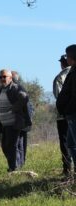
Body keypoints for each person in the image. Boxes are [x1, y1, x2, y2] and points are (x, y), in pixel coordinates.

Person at [0, 69, 30, 172]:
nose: (2, 79)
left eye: (4, 77)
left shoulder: (15, 88)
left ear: (10, 78)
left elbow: (25, 98)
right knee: (5, 146)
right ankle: (15, 167)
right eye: (0, 77)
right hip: (4, 123)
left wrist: (14, 108)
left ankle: (14, 168)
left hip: (14, 122)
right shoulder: (0, 90)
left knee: (12, 146)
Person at [57, 44, 76, 176]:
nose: (66, 58)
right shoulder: (73, 70)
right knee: (70, 144)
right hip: (70, 115)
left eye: (67, 55)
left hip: (73, 115)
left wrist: (68, 109)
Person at [53, 54, 72, 176]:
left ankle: (67, 168)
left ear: (62, 63)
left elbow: (58, 97)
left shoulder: (60, 77)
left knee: (65, 142)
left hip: (63, 116)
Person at [11, 71, 32, 167]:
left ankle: (18, 165)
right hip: (24, 120)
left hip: (20, 121)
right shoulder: (20, 88)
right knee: (21, 143)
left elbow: (27, 106)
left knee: (17, 144)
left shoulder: (16, 90)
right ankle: (21, 164)